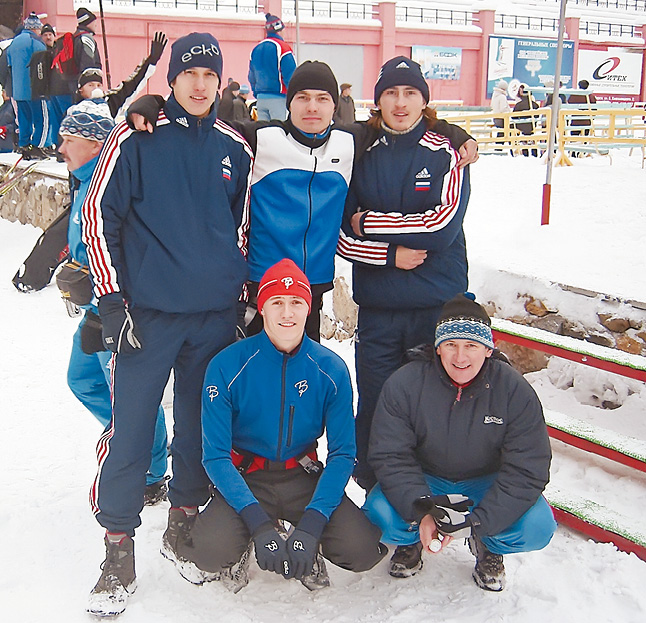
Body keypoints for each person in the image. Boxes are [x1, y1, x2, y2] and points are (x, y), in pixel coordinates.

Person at [81, 32, 253, 617]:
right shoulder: (135, 135)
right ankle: (117, 546)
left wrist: (241, 297)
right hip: (147, 318)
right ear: (172, 79)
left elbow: (241, 228)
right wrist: (111, 298)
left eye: (210, 75)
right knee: (131, 432)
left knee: (198, 430)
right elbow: (97, 217)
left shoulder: (236, 146)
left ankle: (183, 522)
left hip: (211, 317)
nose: (200, 85)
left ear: (219, 81)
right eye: (189, 75)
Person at [128, 60, 478, 342]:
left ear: (334, 104)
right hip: (261, 287)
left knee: (303, 386)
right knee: (253, 384)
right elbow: (201, 120)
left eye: (322, 98)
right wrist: (155, 103)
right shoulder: (260, 137)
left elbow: (406, 120)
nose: (313, 107)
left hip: (312, 288)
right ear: (289, 102)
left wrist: (456, 134)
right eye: (303, 97)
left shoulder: (350, 141)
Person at [161, 258, 386, 592]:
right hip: (247, 476)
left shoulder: (330, 369)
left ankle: (306, 541)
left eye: (296, 303)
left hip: (302, 474)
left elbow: (342, 454)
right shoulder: (227, 365)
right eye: (276, 303)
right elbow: (216, 457)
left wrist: (313, 524)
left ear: (308, 309)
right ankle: (245, 543)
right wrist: (258, 525)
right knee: (207, 553)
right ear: (262, 309)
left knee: (362, 551)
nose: (287, 313)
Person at [337, 56, 471, 493]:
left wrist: (371, 223)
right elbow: (341, 236)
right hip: (378, 310)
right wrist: (391, 257)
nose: (400, 102)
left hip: (435, 308)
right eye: (391, 93)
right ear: (377, 101)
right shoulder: (361, 153)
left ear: (423, 100)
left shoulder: (445, 150)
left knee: (433, 405)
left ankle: (430, 495)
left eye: (410, 92)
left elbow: (441, 226)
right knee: (375, 403)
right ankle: (377, 493)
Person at [364, 293, 557, 590]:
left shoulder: (514, 391)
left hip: (485, 484)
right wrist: (422, 510)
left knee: (537, 526)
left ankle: (488, 544)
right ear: (438, 348)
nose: (460, 357)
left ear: (488, 349)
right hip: (426, 481)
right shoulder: (405, 384)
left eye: (471, 346)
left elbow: (528, 467)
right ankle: (414, 540)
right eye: (451, 345)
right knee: (378, 515)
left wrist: (479, 521)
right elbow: (390, 455)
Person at [56, 99, 168, 509]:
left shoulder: (115, 182)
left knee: (132, 400)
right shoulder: (82, 181)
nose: (60, 147)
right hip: (93, 309)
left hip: (117, 310)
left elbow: (131, 249)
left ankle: (153, 472)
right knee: (82, 379)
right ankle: (134, 440)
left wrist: (104, 293)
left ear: (93, 143)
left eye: (69, 139)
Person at [5, 12, 48, 160]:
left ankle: (24, 144)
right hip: (34, 89)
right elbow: (43, 64)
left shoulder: (14, 43)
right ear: (35, 28)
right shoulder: (35, 42)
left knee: (23, 119)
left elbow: (9, 66)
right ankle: (36, 146)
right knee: (41, 119)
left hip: (18, 90)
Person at [248, 13, 296, 121]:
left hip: (261, 98)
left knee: (264, 132)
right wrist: (293, 95)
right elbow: (290, 75)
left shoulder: (256, 49)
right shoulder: (283, 48)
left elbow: (252, 76)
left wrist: (256, 93)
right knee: (279, 132)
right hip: (279, 98)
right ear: (280, 30)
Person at [512, 84, 539, 156]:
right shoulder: (535, 105)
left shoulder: (519, 105)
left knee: (524, 138)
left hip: (522, 127)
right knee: (532, 138)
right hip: (532, 127)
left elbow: (513, 116)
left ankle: (525, 153)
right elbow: (538, 115)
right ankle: (534, 153)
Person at [0, 88, 18, 152]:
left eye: (4, 92)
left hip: (9, 144)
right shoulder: (3, 107)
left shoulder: (15, 107)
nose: (2, 94)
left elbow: (18, 125)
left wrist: (6, 128)